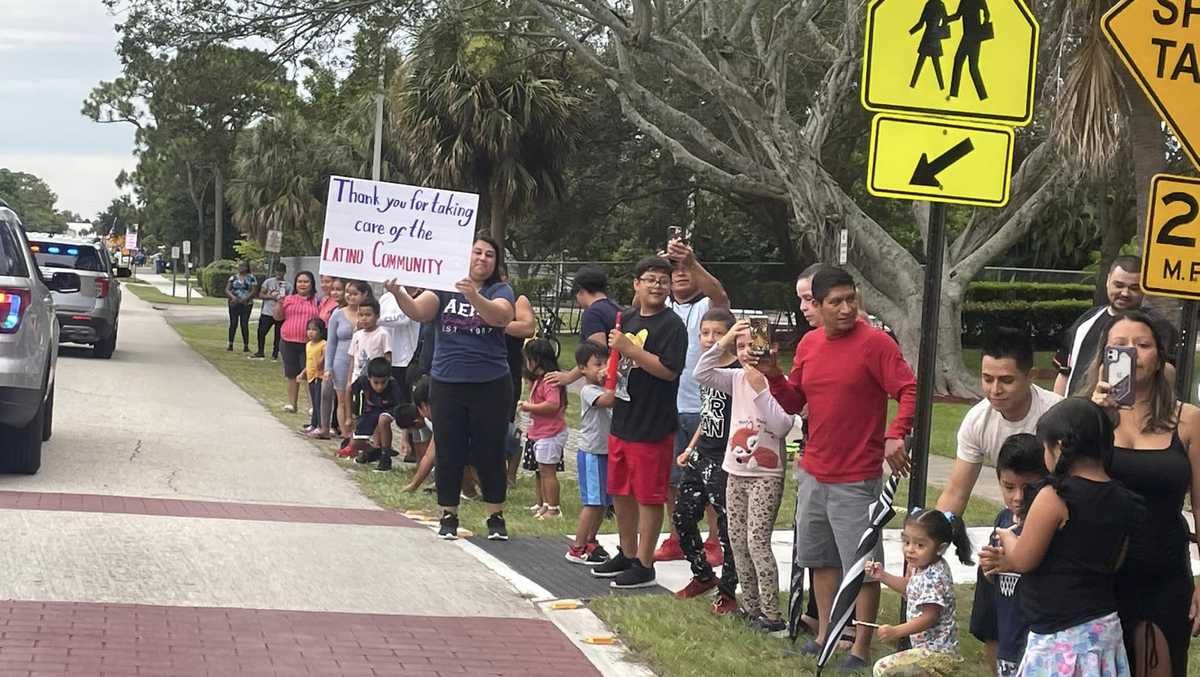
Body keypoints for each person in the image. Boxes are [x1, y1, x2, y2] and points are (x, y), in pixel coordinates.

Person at [758, 266, 916, 671]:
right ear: (817, 306)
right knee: (821, 560)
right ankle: (826, 634)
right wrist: (774, 375)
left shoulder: (876, 344)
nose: (846, 309)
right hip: (813, 471)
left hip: (857, 478)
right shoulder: (809, 345)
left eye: (851, 299)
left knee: (862, 567)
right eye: (836, 302)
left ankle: (860, 646)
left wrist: (896, 433)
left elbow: (909, 388)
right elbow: (795, 402)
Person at [980, 398, 1143, 677]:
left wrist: (1007, 536)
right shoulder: (1124, 499)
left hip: (1060, 639)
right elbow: (1117, 561)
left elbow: (1023, 560)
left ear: (1058, 447)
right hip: (1103, 633)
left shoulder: (1054, 496)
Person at [383, 235, 517, 542]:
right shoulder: (444, 287)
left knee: (489, 450)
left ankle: (495, 515)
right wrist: (398, 292)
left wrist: (473, 296)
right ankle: (448, 514)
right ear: (465, 256)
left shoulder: (500, 290)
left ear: (495, 263)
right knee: (449, 449)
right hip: (447, 382)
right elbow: (418, 312)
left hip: (491, 383)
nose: (482, 259)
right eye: (477, 253)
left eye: (489, 255)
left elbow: (501, 316)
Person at [1089, 311, 1200, 677]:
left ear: (1159, 357)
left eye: (1143, 345)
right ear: (1104, 356)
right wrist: (1096, 420)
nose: (1132, 353)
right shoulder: (1087, 416)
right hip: (1097, 573)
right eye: (1119, 346)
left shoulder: (1188, 420)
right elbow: (1059, 484)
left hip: (1163, 570)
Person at [590, 256, 688, 589]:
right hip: (623, 417)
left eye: (663, 280)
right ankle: (627, 552)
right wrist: (609, 373)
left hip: (654, 423)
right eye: (650, 279)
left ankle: (645, 563)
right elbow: (619, 362)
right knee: (620, 491)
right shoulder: (626, 317)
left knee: (648, 495)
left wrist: (630, 350)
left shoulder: (672, 325)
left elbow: (668, 370)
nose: (657, 285)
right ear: (636, 284)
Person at [695, 318, 793, 630]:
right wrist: (723, 344)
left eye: (754, 345)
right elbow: (702, 373)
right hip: (735, 470)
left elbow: (782, 426)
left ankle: (772, 614)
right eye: (741, 347)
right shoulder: (735, 378)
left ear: (771, 348)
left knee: (757, 542)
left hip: (766, 473)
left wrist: (759, 385)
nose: (747, 352)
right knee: (737, 541)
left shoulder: (777, 383)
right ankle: (750, 607)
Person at [656, 237, 730, 563]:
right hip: (669, 406)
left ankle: (714, 540)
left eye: (686, 270)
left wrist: (692, 260)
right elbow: (639, 300)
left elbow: (720, 295)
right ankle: (677, 537)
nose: (680, 274)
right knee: (672, 478)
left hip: (704, 407)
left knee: (711, 478)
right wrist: (659, 268)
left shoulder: (705, 307)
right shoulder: (663, 307)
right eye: (674, 271)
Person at [671, 307, 739, 609]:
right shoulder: (705, 369)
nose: (710, 339)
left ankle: (728, 591)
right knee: (682, 518)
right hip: (702, 454)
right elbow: (708, 413)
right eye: (705, 333)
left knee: (728, 529)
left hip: (727, 459)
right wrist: (691, 447)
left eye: (718, 333)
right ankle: (702, 575)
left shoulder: (737, 372)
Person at [970, 433, 1047, 676]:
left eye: (1028, 487)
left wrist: (1011, 561)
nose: (1018, 497)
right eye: (1009, 487)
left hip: (1034, 641)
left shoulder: (1046, 523)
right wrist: (990, 569)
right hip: (1007, 634)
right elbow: (989, 621)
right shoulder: (1002, 521)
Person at [867, 509, 972, 676]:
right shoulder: (923, 568)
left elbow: (929, 617)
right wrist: (882, 576)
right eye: (906, 542)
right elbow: (911, 589)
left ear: (940, 548)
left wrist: (896, 631)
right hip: (927, 650)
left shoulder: (933, 577)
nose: (910, 549)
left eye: (920, 545)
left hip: (937, 655)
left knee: (883, 669)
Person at [1054, 256, 1175, 397]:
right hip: (1077, 412)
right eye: (1119, 285)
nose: (1125, 293)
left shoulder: (1158, 327)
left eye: (1134, 288)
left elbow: (1170, 378)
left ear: (1145, 289)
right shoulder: (1086, 320)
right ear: (1107, 281)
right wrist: (1057, 409)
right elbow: (1064, 373)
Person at [566, 341, 614, 566]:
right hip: (592, 453)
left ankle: (590, 540)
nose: (603, 368)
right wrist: (618, 383)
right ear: (582, 368)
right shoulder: (589, 390)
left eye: (607, 362)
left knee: (603, 502)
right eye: (598, 364)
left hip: (606, 452)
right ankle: (577, 547)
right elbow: (607, 401)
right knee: (593, 502)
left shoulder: (605, 387)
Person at [546, 264, 622, 387]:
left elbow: (595, 354)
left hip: (606, 383)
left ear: (581, 291)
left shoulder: (593, 313)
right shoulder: (616, 308)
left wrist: (568, 377)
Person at [519, 338, 568, 519]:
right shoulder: (539, 380)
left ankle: (553, 508)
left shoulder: (549, 381)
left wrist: (528, 407)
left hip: (550, 433)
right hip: (540, 432)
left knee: (548, 472)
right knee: (540, 471)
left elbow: (552, 405)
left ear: (537, 359)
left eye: (528, 359)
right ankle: (543, 504)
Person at [339, 298, 392, 459]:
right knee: (358, 412)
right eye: (360, 315)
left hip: (375, 383)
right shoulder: (357, 335)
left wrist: (385, 379)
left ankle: (377, 446)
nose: (364, 318)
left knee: (374, 413)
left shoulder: (383, 334)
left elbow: (387, 357)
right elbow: (353, 359)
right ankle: (359, 443)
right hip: (358, 380)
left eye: (368, 315)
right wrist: (349, 379)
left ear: (377, 315)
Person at [273, 271, 319, 414]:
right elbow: (278, 317)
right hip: (288, 341)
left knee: (309, 374)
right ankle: (292, 404)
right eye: (300, 281)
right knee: (291, 374)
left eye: (306, 281)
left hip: (309, 343)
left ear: (312, 284)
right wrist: (279, 303)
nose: (303, 284)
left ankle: (313, 406)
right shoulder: (288, 299)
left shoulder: (317, 301)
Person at [347, 357, 405, 472]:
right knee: (354, 443)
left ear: (389, 378)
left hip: (389, 409)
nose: (379, 386)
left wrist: (405, 437)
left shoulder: (394, 386)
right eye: (376, 382)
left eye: (383, 382)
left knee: (383, 419)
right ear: (369, 378)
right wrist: (349, 415)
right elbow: (349, 390)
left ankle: (385, 457)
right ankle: (373, 451)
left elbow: (401, 408)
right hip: (371, 411)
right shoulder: (362, 381)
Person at [504, 293, 537, 485]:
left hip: (508, 374)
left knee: (509, 429)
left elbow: (528, 328)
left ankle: (510, 475)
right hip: (476, 373)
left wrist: (493, 321)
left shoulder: (518, 300)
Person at [313, 278, 346, 440]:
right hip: (336, 360)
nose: (335, 293)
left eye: (339, 289)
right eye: (333, 290)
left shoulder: (360, 312)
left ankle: (343, 429)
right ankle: (324, 426)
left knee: (347, 399)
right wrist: (328, 366)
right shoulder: (336, 313)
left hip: (354, 361)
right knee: (327, 393)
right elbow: (331, 342)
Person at [946, 0, 991, 100]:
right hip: (973, 37)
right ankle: (982, 96)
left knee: (962, 63)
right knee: (971, 66)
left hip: (970, 37)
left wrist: (945, 19)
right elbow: (987, 14)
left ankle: (955, 93)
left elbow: (957, 16)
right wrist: (982, 26)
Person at [403, 375, 438, 493]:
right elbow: (429, 455)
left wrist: (413, 485)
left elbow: (429, 455)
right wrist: (414, 485)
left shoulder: (443, 418)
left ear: (423, 406)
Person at [253, 262, 290, 360]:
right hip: (267, 311)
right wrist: (271, 297)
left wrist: (283, 299)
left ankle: (275, 353)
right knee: (261, 331)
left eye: (281, 271)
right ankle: (260, 351)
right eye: (277, 271)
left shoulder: (288, 285)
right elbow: (261, 294)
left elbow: (291, 299)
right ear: (275, 271)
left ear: (284, 272)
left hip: (280, 313)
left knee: (278, 334)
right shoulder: (268, 282)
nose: (279, 273)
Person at [909, 0, 949, 89]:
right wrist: (940, 30)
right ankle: (941, 86)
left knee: (921, 62)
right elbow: (946, 21)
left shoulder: (929, 4)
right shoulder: (941, 5)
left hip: (928, 37)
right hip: (935, 36)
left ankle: (912, 84)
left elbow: (921, 24)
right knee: (935, 63)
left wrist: (911, 32)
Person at [299, 317, 326, 434]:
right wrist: (303, 373)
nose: (310, 332)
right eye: (308, 329)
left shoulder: (324, 344)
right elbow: (308, 361)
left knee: (319, 402)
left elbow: (324, 359)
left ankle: (320, 425)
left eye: (314, 329)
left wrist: (321, 362)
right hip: (310, 377)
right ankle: (313, 424)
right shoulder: (308, 345)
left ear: (321, 331)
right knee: (314, 402)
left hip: (319, 377)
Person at [225, 261, 257, 353]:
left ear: (247, 267)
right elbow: (227, 289)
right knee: (233, 323)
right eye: (240, 266)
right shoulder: (233, 277)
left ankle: (246, 345)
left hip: (246, 303)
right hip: (234, 303)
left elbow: (254, 291)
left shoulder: (251, 277)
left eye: (243, 266)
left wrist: (246, 298)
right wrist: (232, 297)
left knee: (244, 323)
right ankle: (230, 344)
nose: (241, 267)